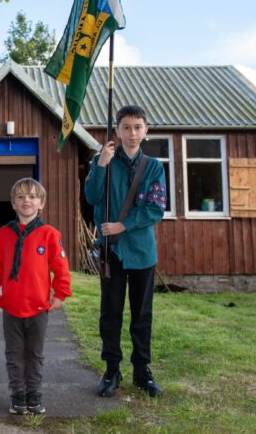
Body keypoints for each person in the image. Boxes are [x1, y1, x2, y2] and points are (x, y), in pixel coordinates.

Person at [84, 104, 167, 398]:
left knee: (142, 314)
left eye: (137, 127)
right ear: (117, 131)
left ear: (146, 131)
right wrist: (101, 166)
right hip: (113, 254)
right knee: (111, 313)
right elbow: (92, 197)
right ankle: (111, 370)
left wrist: (123, 225)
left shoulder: (154, 167)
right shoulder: (103, 161)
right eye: (126, 127)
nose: (132, 133)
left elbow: (155, 209)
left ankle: (142, 371)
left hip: (142, 252)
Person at [0, 178, 72, 415]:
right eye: (21, 196)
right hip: (11, 307)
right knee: (13, 354)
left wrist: (60, 293)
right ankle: (17, 396)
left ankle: (34, 394)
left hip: (39, 307)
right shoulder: (3, 234)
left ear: (41, 203)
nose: (27, 201)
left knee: (35, 354)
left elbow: (61, 267)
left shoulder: (50, 234)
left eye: (32, 196)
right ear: (13, 203)